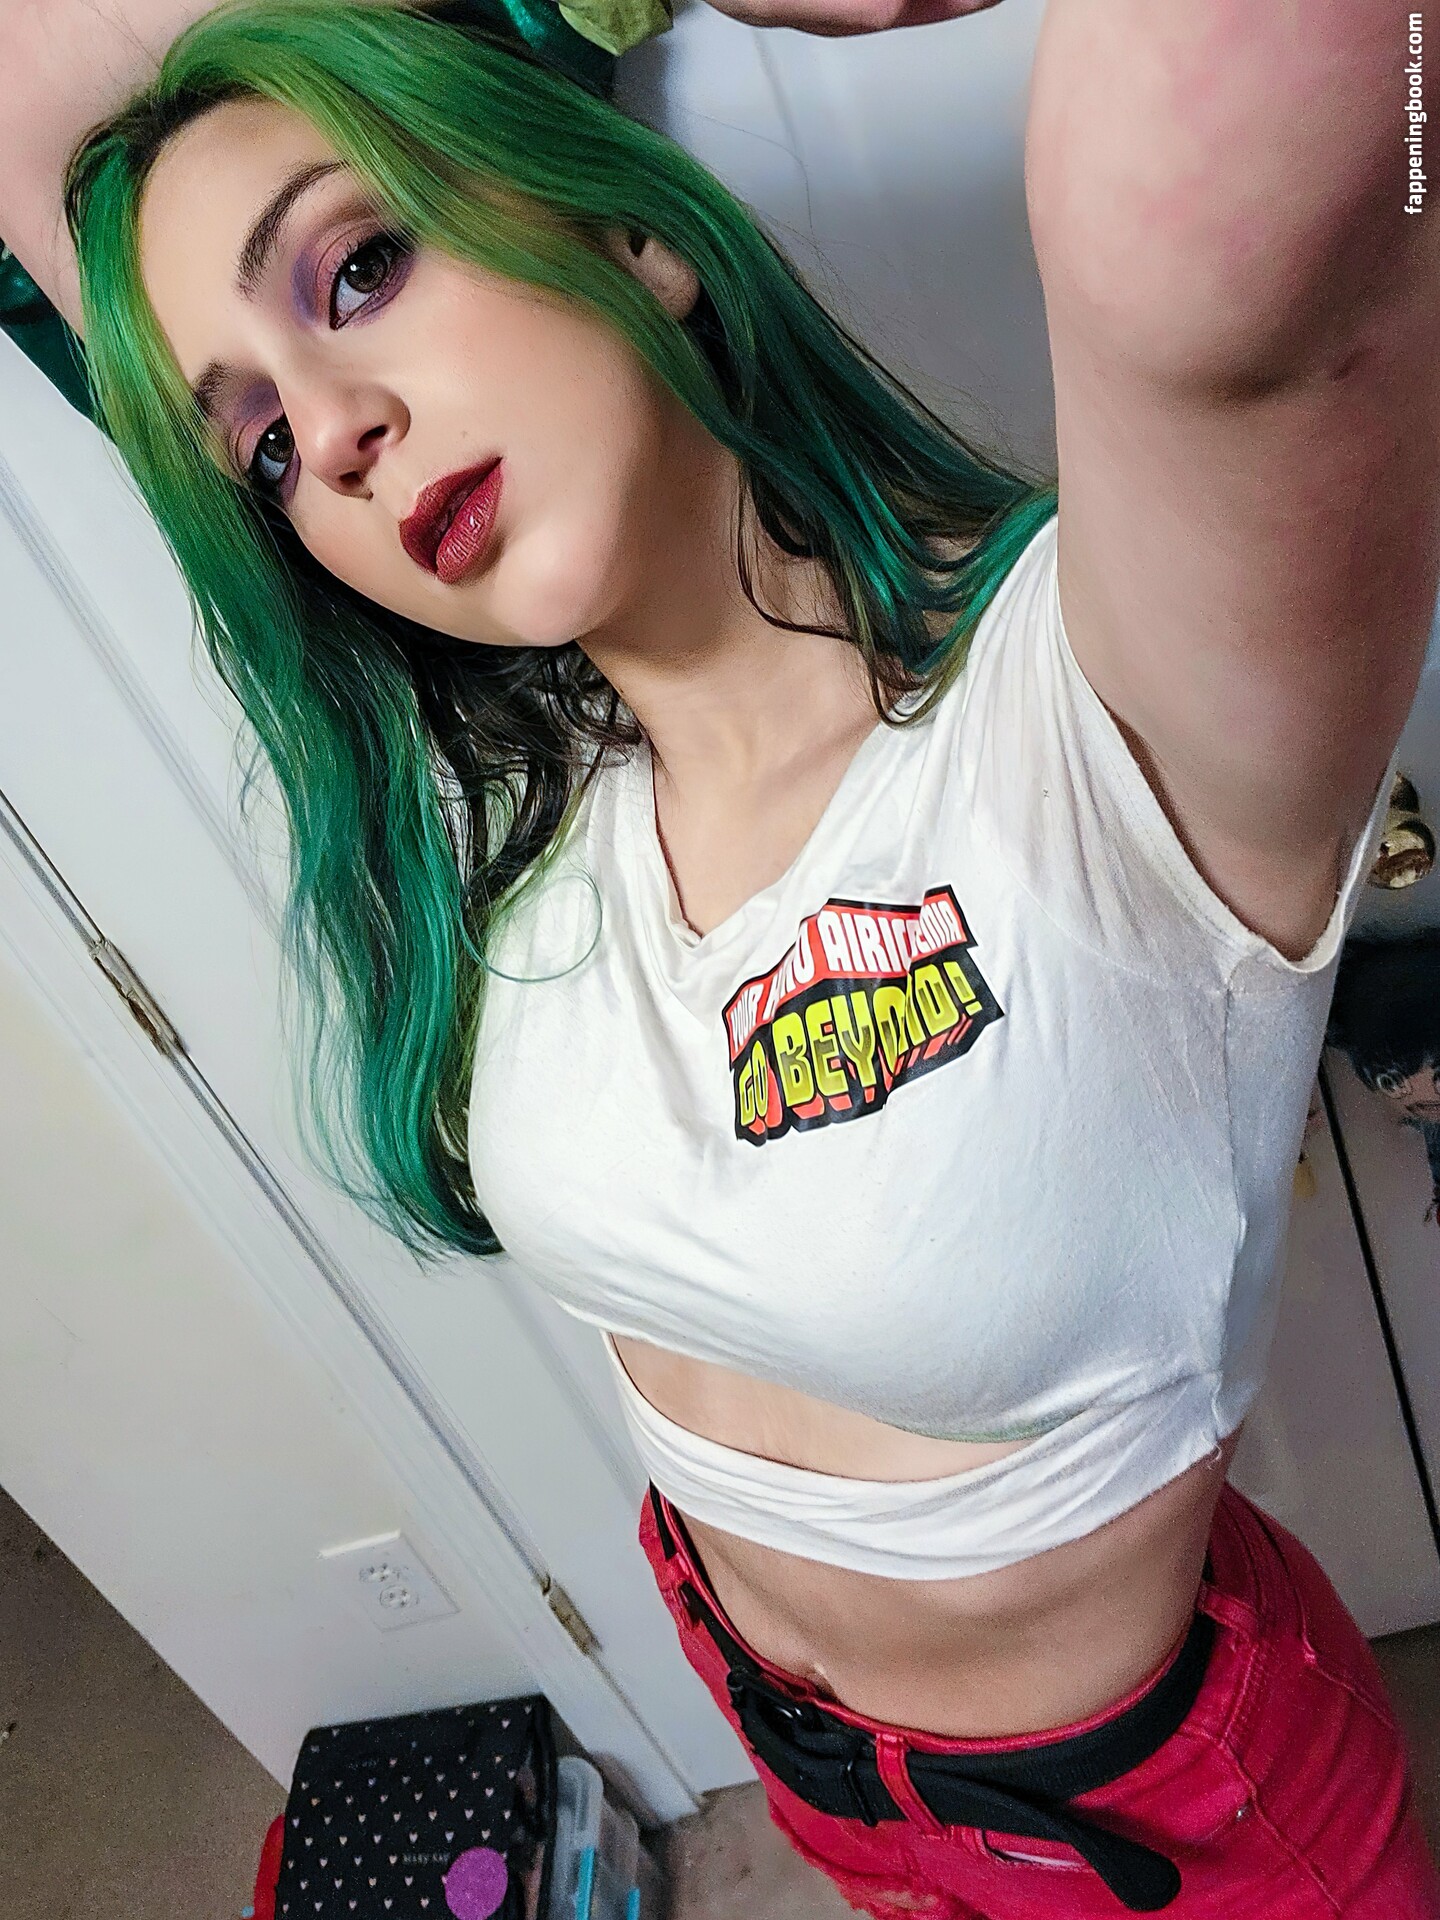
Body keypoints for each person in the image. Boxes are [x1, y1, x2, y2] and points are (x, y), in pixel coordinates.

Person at [10, 0, 1439, 1910]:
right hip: (793, 1753)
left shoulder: (1099, 718)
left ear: (635, 230)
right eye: (262, 447)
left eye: (360, 267)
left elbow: (1239, 142)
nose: (330, 436)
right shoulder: (536, 823)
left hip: (1157, 1831)